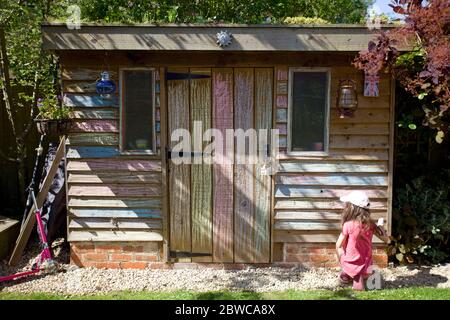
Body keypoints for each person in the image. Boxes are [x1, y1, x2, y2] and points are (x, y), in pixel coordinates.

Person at [335, 191, 390, 290]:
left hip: (351, 261)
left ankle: (352, 275)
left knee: (340, 250)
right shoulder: (371, 225)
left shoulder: (348, 225)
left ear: (352, 208)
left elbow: (338, 245)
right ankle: (352, 275)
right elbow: (387, 240)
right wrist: (380, 227)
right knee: (368, 272)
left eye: (347, 205)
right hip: (366, 262)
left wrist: (341, 257)